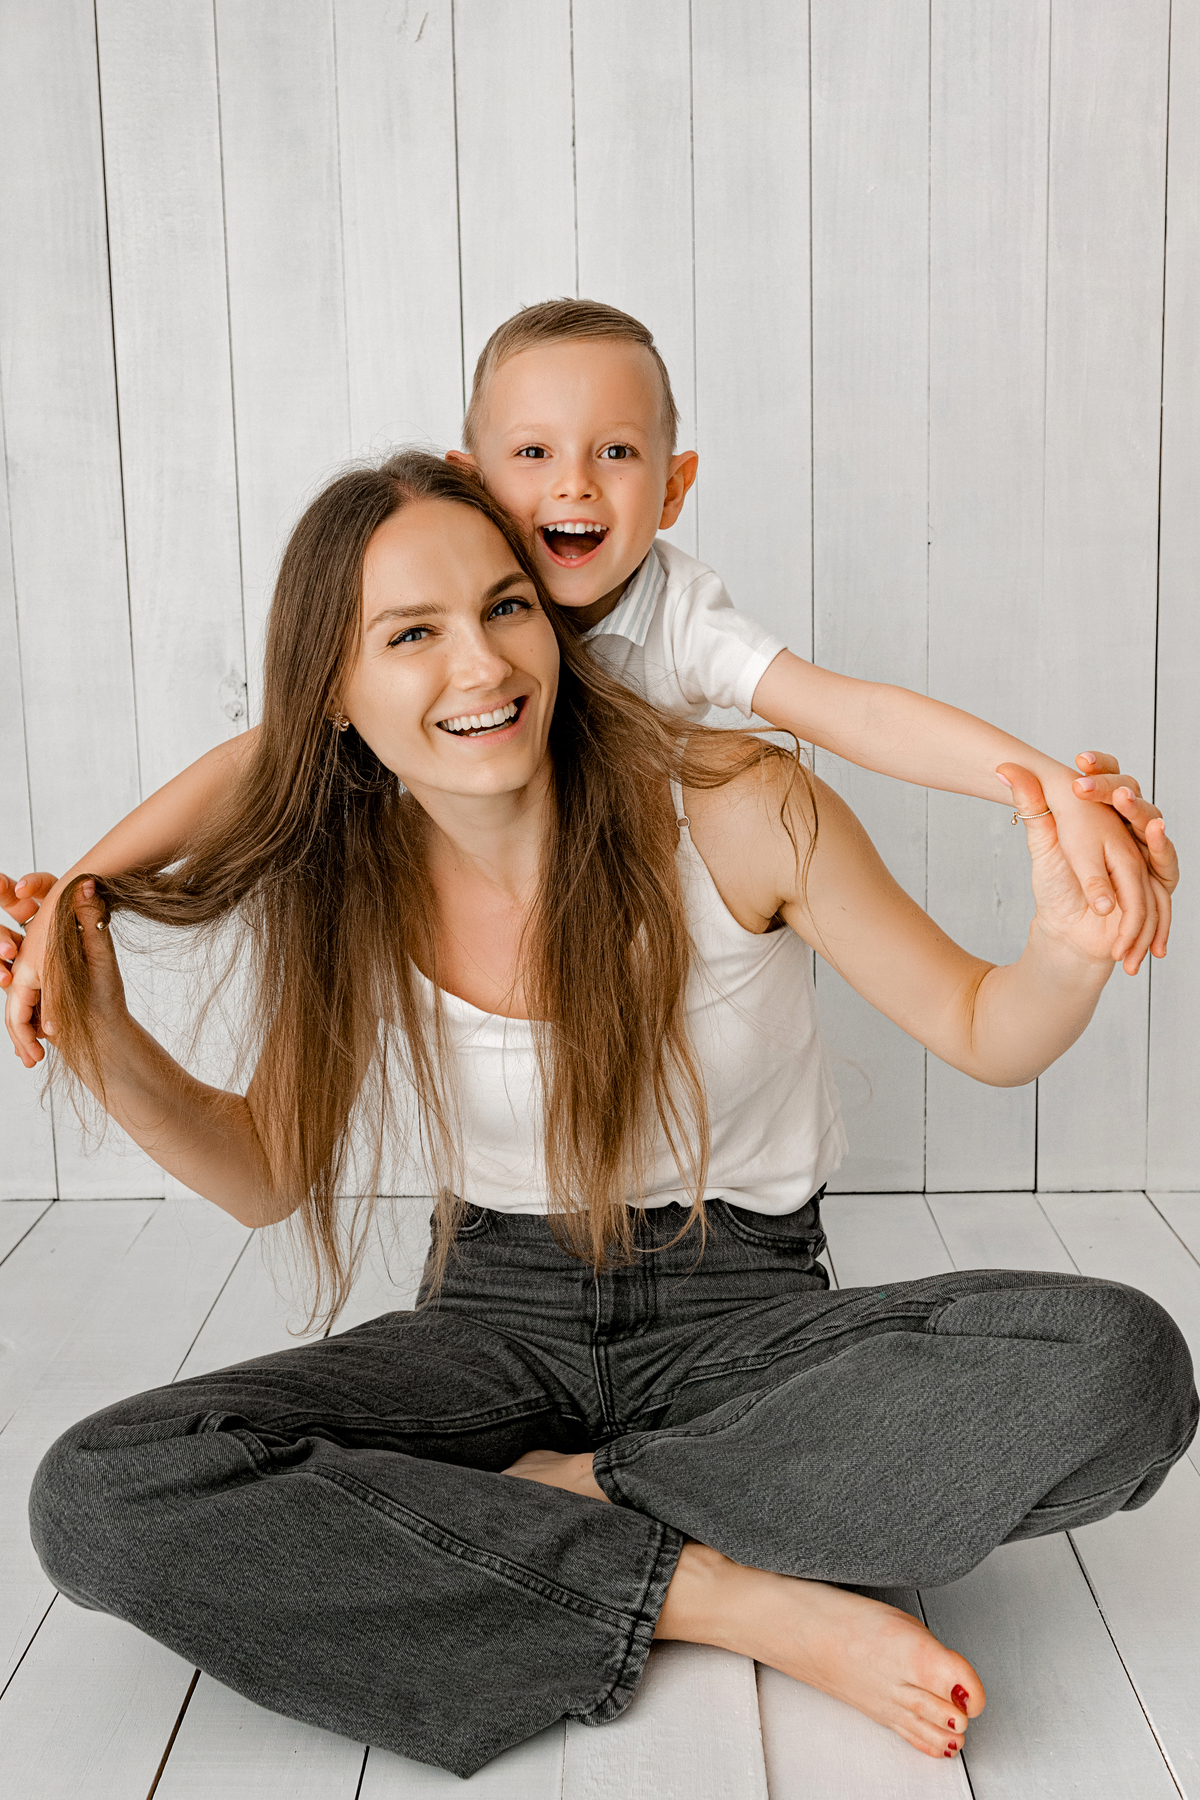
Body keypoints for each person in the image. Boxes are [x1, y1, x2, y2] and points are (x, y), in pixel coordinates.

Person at [23, 454, 1194, 1780]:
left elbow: (990, 1033)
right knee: (102, 1494)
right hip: (488, 1324)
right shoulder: (346, 871)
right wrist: (99, 1034)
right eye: (411, 635)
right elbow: (263, 1178)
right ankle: (716, 1594)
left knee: (1122, 1367)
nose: (481, 665)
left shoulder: (739, 807)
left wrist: (1070, 945)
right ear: (337, 697)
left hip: (738, 1319)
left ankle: (559, 1506)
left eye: (507, 607)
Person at [0, 300, 1173, 1056]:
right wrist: (87, 881)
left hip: (635, 894)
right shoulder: (455, 599)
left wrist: (1044, 788)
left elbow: (852, 710)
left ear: (672, 489)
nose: (574, 486)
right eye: (534, 455)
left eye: (617, 453)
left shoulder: (679, 616)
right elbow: (262, 755)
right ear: (471, 480)